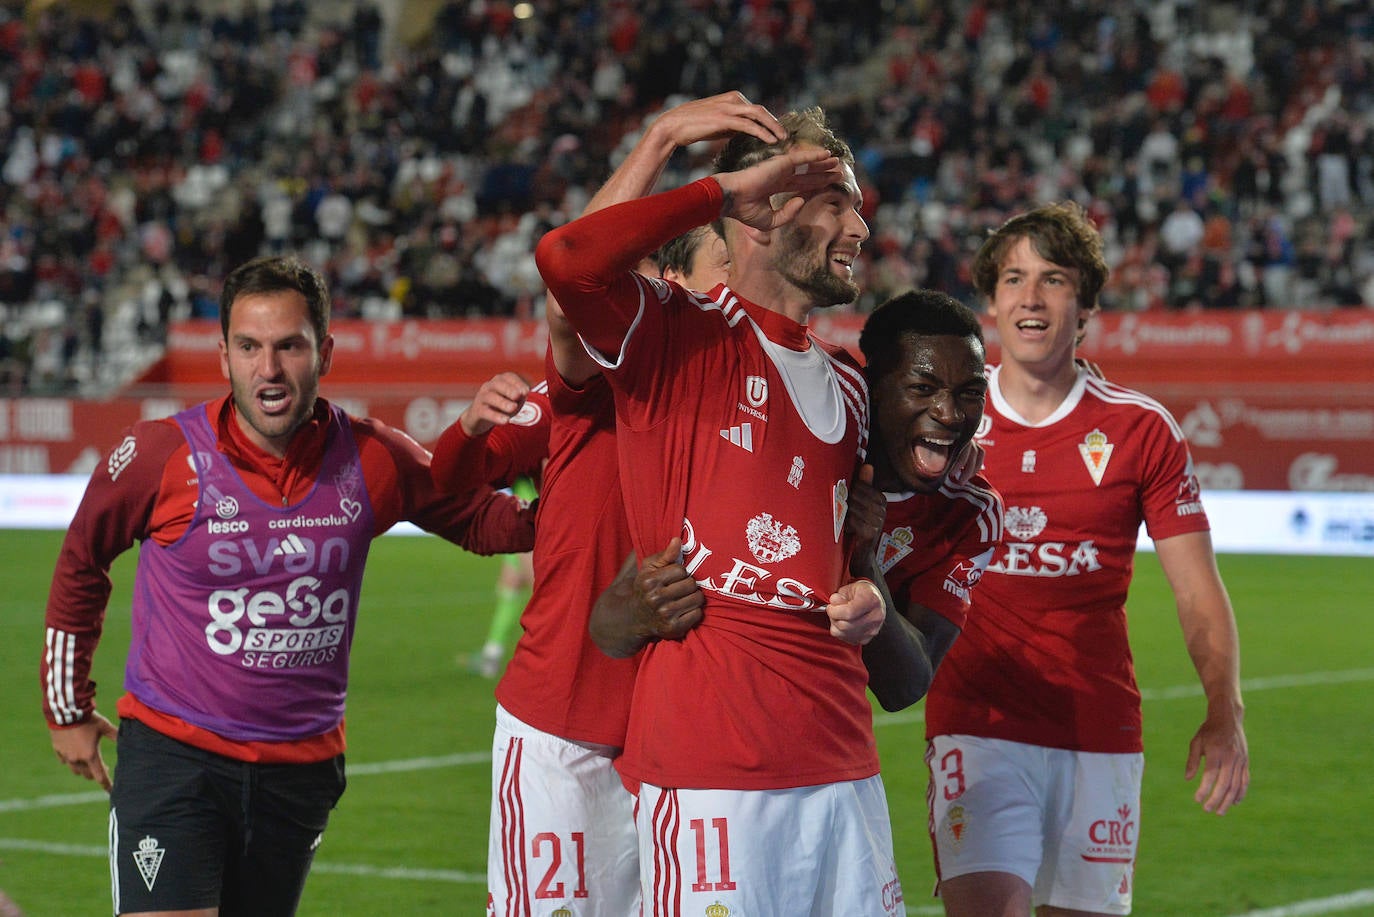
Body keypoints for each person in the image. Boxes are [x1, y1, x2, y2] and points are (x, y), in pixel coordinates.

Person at [40, 254, 535, 917]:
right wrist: (67, 706)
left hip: (299, 770)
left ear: (324, 351)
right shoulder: (162, 455)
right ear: (223, 356)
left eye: (288, 347)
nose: (267, 369)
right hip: (174, 756)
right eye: (248, 347)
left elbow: (486, 521)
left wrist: (580, 476)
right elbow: (81, 558)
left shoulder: (370, 457)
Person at [537, 108, 903, 916]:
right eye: (835, 200)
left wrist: (870, 594)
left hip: (844, 760)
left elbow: (845, 561)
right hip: (713, 772)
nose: (859, 224)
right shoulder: (677, 334)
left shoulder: (850, 378)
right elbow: (566, 260)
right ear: (768, 207)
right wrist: (700, 171)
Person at [432, 93, 764, 916]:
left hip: (687, 743)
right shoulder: (596, 384)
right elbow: (570, 282)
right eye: (728, 267)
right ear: (675, 282)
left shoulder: (761, 402)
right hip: (566, 731)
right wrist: (658, 141)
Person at [923, 202, 1250, 917]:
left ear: (1088, 304)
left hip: (1098, 730)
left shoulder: (1140, 430)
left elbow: (1197, 590)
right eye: (1013, 278)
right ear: (991, 301)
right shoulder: (945, 426)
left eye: (1053, 279)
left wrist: (1224, 709)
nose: (1030, 297)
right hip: (977, 723)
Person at [849, 289, 1004, 713]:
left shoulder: (971, 511)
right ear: (873, 387)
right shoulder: (816, 450)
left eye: (970, 393)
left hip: (834, 750)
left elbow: (905, 685)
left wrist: (864, 559)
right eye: (923, 387)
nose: (951, 414)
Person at [467, 475, 537, 678]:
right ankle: (492, 653)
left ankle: (555, 659)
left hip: (530, 510)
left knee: (543, 591)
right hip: (521, 505)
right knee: (510, 586)